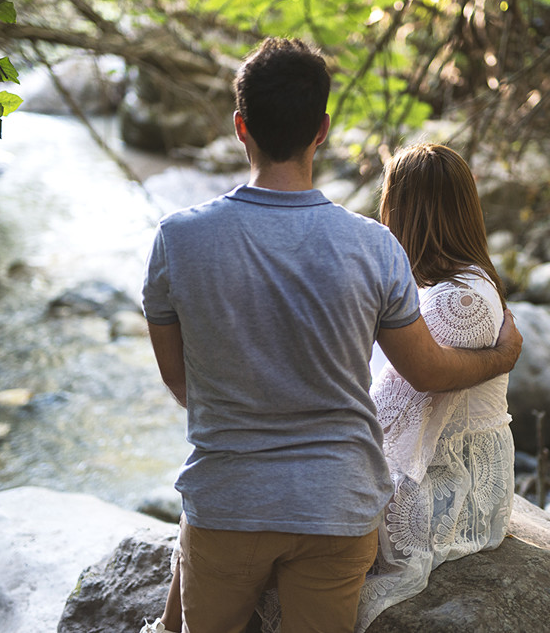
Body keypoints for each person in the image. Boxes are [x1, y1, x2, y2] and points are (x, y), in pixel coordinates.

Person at [139, 37, 522, 633]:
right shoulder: (375, 246)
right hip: (338, 511)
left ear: (241, 127)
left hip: (228, 504)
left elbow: (182, 383)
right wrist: (499, 357)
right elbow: (426, 371)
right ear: (322, 130)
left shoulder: (178, 240)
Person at [257, 142, 515, 633]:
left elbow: (392, 420)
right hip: (427, 462)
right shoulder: (435, 284)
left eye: (388, 199)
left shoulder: (461, 303)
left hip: (446, 482)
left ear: (401, 208)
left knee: (289, 505)